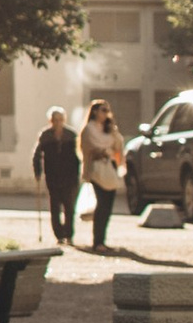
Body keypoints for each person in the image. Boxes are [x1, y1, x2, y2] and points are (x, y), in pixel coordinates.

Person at [79, 98, 127, 250]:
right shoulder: (89, 130)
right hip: (96, 169)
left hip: (110, 168)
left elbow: (118, 144)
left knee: (108, 206)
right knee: (101, 205)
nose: (106, 114)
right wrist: (102, 151)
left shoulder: (109, 129)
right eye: (103, 110)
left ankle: (103, 239)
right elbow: (87, 149)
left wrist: (113, 129)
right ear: (95, 112)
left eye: (108, 111)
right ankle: (97, 241)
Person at [32, 105, 82, 247]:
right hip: (52, 175)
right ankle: (59, 235)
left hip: (69, 176)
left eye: (60, 119)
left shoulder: (71, 135)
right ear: (51, 120)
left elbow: (78, 156)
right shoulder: (46, 135)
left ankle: (69, 234)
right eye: (55, 119)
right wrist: (37, 171)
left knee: (69, 206)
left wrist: (78, 173)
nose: (58, 122)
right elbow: (37, 154)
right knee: (55, 206)